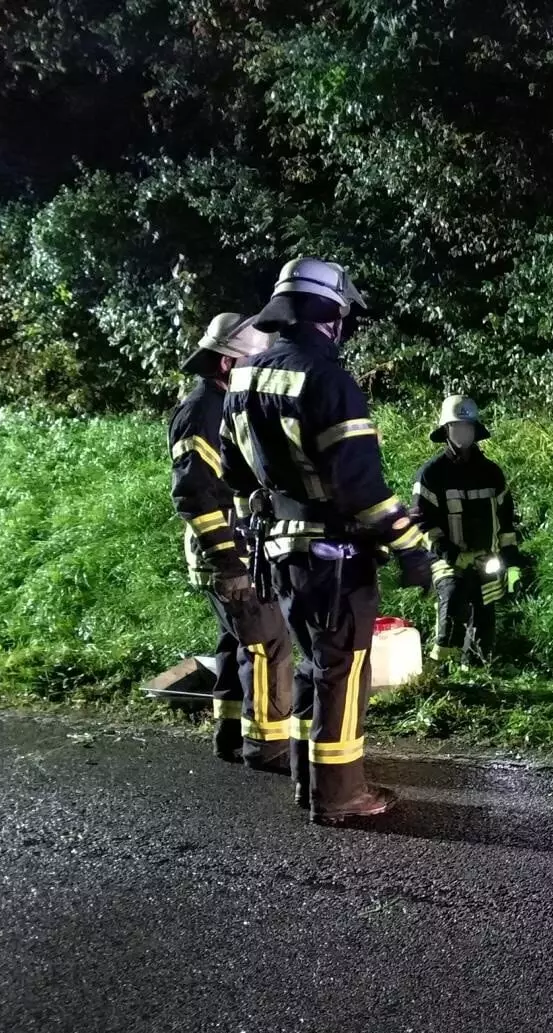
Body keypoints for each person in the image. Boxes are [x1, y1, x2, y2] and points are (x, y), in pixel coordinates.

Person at [219, 257, 436, 823]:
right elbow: (360, 487)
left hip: (280, 552)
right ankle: (341, 795)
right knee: (342, 669)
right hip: (335, 555)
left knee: (313, 666)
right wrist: (411, 544)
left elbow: (236, 475)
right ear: (330, 314)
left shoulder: (244, 377)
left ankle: (307, 780)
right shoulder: (328, 379)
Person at [167, 311, 294, 771]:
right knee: (267, 644)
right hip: (227, 554)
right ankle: (269, 746)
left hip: (233, 552)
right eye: (254, 362)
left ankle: (230, 734)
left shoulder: (219, 404)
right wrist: (229, 562)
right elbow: (193, 492)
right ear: (226, 363)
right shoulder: (203, 411)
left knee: (237, 640)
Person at [412, 395, 528, 665]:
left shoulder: (491, 473)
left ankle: (474, 673)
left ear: (475, 430)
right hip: (448, 561)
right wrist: (452, 555)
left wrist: (511, 563)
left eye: (468, 427)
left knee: (484, 620)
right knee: (452, 604)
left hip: (487, 560)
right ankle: (440, 671)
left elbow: (506, 521)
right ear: (446, 430)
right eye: (457, 427)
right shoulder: (431, 474)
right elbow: (421, 522)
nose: (463, 433)